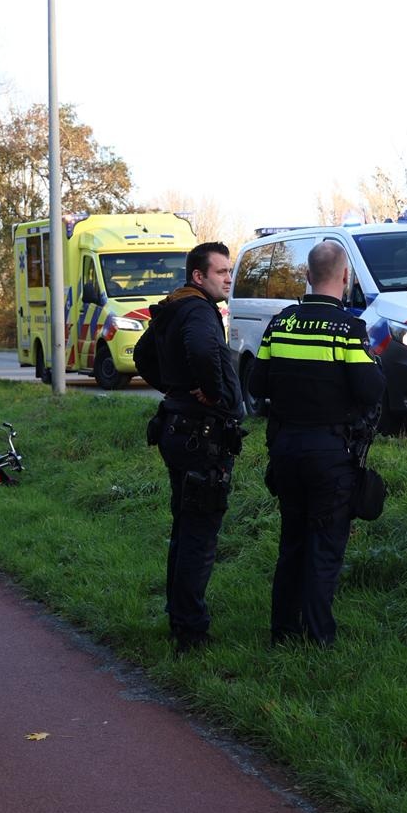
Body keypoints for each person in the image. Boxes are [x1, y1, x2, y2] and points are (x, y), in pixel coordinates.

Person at [250, 240, 385, 647]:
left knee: (291, 541)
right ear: (345, 278)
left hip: (286, 450)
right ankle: (318, 637)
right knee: (324, 546)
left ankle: (283, 632)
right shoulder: (349, 330)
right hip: (330, 455)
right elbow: (371, 391)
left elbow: (256, 385)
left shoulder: (281, 323)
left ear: (307, 276)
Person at [142, 242, 243, 654]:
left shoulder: (173, 307)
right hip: (199, 436)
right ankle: (191, 633)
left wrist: (174, 389)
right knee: (199, 535)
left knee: (185, 529)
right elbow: (202, 350)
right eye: (220, 272)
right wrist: (213, 393)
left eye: (228, 271)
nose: (227, 279)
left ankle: (179, 619)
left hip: (176, 427)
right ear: (198, 277)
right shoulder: (199, 310)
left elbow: (144, 355)